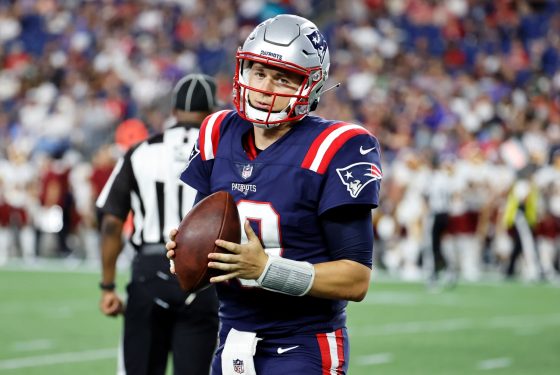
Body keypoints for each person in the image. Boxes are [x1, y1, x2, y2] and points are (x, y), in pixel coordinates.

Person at [166, 15, 382, 374]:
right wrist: (187, 252)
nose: (266, 86)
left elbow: (356, 279)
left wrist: (267, 269)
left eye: (283, 77)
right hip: (233, 339)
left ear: (311, 85)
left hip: (304, 344)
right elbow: (208, 237)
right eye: (259, 71)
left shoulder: (338, 145)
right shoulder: (217, 131)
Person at [96, 74, 220, 375]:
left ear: (174, 111)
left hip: (148, 272)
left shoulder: (140, 151)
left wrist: (108, 286)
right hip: (205, 275)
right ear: (213, 113)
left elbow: (112, 222)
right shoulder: (222, 152)